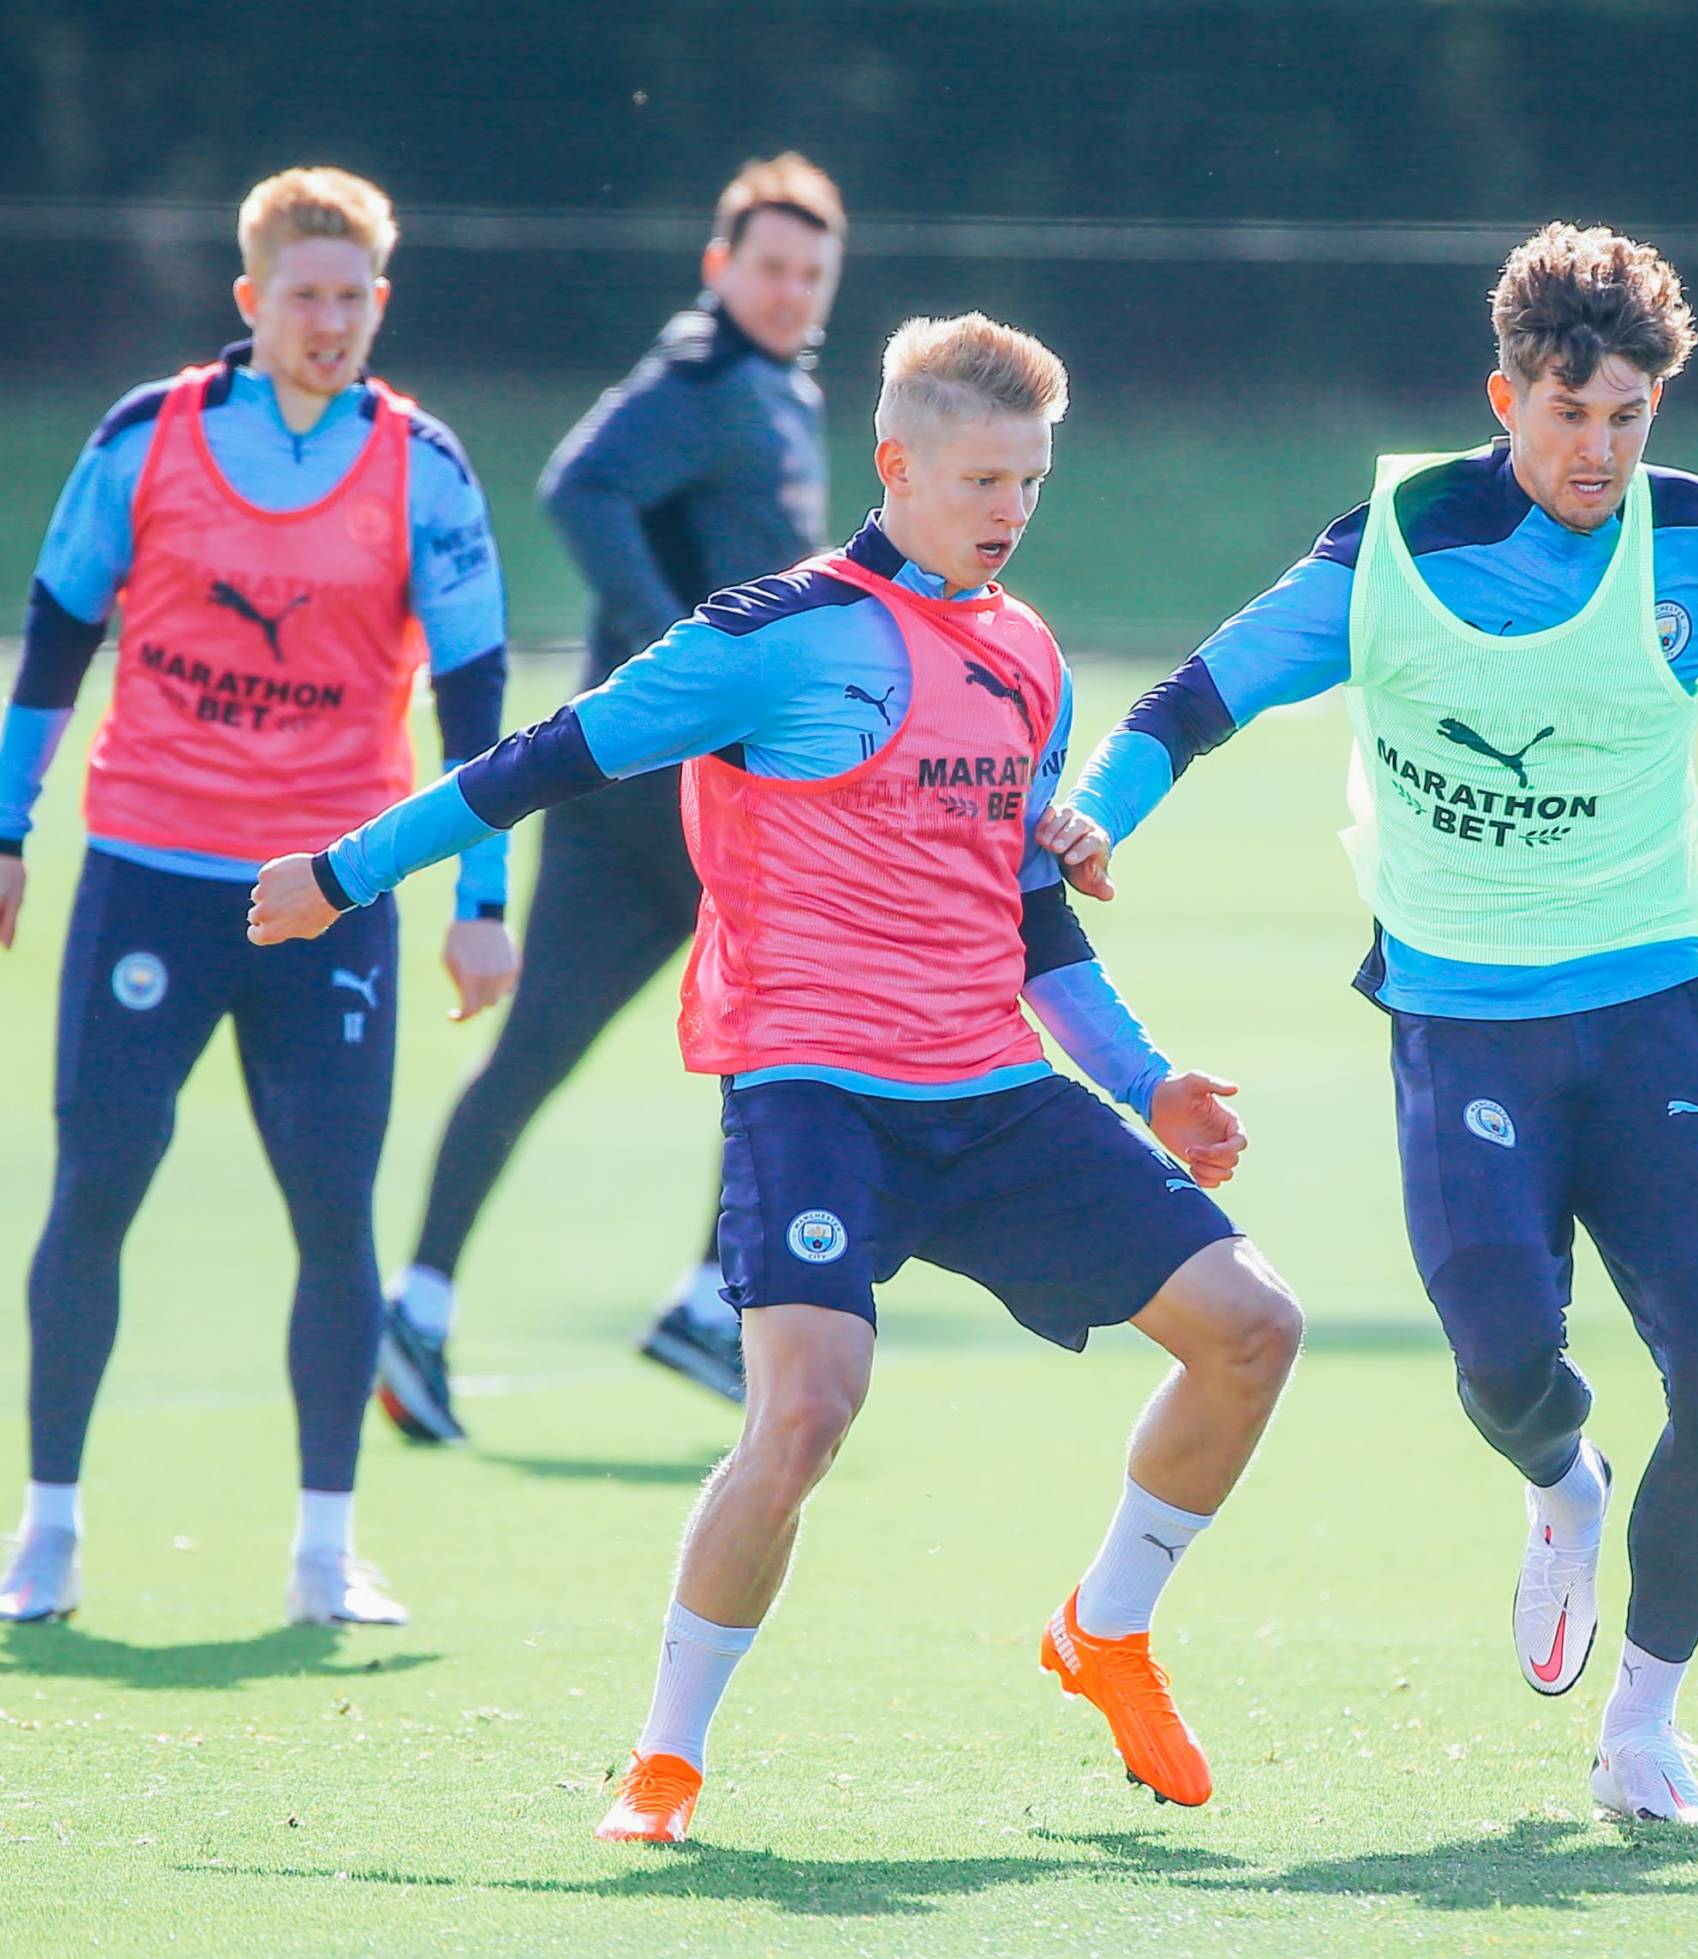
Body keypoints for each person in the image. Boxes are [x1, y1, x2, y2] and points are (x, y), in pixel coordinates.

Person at [1036, 223, 1698, 1826]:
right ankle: (1561, 1490)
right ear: (1503, 396)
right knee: (1508, 1366)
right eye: (1568, 413)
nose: (1597, 450)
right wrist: (1102, 813)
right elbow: (1196, 696)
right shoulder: (1393, 549)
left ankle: (1645, 1729)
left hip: (1650, 1021)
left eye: (1629, 418)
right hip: (1460, 1033)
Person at [247, 314, 1304, 1840]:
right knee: (807, 1413)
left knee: (1253, 1330)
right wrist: (345, 873)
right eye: (986, 478)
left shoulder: (1026, 657)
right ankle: (665, 1762)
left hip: (988, 1088)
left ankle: (1109, 1631)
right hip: (810, 1086)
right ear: (897, 466)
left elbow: (1029, 916)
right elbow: (545, 756)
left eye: (1034, 483)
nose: (1014, 510)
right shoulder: (771, 636)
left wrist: (1148, 1087)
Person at [0, 167, 517, 1627]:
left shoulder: (425, 465)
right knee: (96, 1185)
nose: (330, 324)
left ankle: (323, 1548)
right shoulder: (147, 438)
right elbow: (53, 635)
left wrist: (481, 893)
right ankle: (45, 1531)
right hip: (152, 876)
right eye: (305, 297)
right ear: (250, 301)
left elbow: (480, 692)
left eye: (355, 300)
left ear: (380, 306)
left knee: (334, 1212)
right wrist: (6, 826)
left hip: (332, 891)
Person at [375, 155, 845, 1440]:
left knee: (768, 1030)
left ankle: (466, 1302)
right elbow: (578, 482)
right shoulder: (696, 379)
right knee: (781, 1028)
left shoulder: (781, 392)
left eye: (813, 273)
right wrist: (668, 646)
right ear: (719, 268)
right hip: (663, 796)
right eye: (771, 267)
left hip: (686, 797)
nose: (793, 290)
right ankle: (451, 1305)